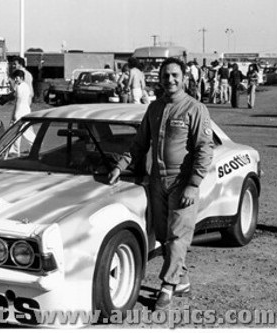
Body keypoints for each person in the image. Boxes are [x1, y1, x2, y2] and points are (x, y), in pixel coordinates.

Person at [108, 57, 214, 310]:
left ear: (185, 78)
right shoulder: (154, 109)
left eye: (175, 75)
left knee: (178, 236)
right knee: (164, 234)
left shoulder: (195, 109)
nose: (170, 80)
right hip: (157, 181)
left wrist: (193, 184)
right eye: (166, 76)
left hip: (182, 181)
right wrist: (119, 166)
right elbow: (139, 144)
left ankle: (166, 287)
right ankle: (183, 282)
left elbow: (204, 149)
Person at [9, 69, 36, 157]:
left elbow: (18, 101)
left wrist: (15, 114)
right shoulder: (26, 86)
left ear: (21, 77)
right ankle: (35, 144)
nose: (16, 80)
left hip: (20, 110)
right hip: (26, 109)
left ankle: (15, 151)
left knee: (17, 130)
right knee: (25, 130)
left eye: (16, 78)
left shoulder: (20, 87)